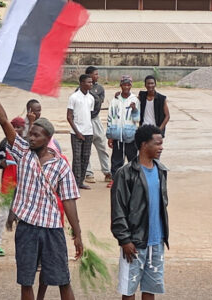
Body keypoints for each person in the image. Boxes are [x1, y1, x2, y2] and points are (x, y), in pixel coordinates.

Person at [0, 76, 83, 300]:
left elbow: (69, 201)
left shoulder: (61, 165)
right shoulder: (23, 151)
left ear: (48, 139)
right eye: (30, 134)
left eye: (36, 135)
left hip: (53, 229)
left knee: (62, 280)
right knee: (26, 282)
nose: (30, 137)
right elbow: (4, 120)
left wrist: (77, 233)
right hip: (27, 227)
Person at [111, 125, 169, 300]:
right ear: (144, 145)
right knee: (129, 289)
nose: (161, 147)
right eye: (157, 143)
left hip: (156, 241)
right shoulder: (126, 173)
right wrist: (125, 239)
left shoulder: (161, 170)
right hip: (134, 242)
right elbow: (118, 209)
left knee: (151, 288)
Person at [0, 117, 25, 257]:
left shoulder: (26, 144)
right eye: (14, 127)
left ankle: (23, 246)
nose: (16, 130)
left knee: (22, 217)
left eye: (19, 127)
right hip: (8, 185)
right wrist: (1, 163)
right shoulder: (4, 143)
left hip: (23, 187)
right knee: (3, 215)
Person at [106, 75, 140, 189]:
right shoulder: (115, 100)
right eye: (124, 84)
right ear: (121, 85)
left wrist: (134, 109)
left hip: (130, 135)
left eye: (128, 85)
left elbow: (137, 119)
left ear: (131, 85)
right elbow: (110, 118)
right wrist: (110, 136)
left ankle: (134, 180)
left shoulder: (135, 100)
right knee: (116, 159)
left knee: (132, 158)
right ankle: (115, 180)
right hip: (117, 135)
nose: (126, 87)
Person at [82, 66, 111, 184]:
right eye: (95, 74)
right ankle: (88, 173)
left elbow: (99, 102)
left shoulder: (99, 88)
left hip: (95, 119)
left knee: (102, 146)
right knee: (86, 148)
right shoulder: (80, 90)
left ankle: (107, 171)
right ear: (89, 75)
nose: (97, 76)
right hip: (85, 121)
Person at [67, 74, 95, 190]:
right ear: (82, 83)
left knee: (86, 157)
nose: (91, 84)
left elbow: (90, 114)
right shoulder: (73, 97)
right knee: (77, 158)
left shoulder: (91, 98)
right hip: (76, 133)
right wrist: (77, 132)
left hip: (88, 132)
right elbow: (69, 116)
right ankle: (75, 182)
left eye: (91, 82)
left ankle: (81, 181)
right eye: (88, 82)